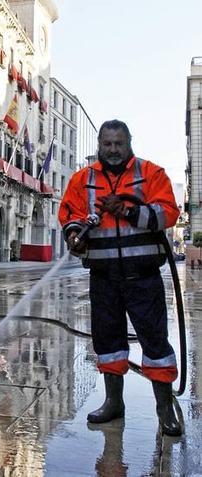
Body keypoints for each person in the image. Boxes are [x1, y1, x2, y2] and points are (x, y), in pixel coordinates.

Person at [58, 120, 181, 437]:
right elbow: (69, 213)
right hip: (103, 277)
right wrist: (75, 235)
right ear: (99, 144)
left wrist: (128, 211)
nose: (113, 149)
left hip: (143, 277)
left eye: (119, 144)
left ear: (130, 143)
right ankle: (114, 402)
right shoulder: (82, 180)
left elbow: (168, 213)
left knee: (154, 341)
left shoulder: (150, 174)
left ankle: (164, 409)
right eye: (108, 143)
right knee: (108, 341)